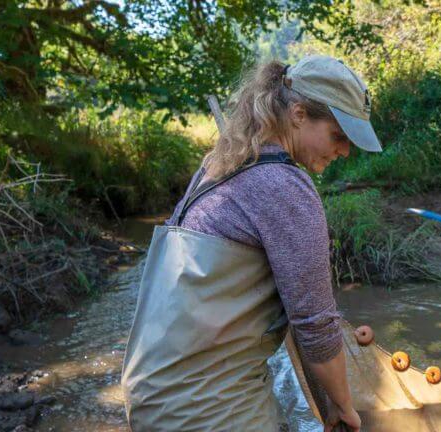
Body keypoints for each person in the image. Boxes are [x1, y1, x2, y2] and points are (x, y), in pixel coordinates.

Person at [121, 55, 382, 431]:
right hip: (205, 410)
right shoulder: (284, 186)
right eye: (338, 136)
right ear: (298, 114)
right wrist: (343, 406)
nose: (344, 151)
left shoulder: (219, 166)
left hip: (152, 397)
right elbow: (313, 324)